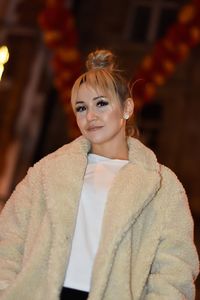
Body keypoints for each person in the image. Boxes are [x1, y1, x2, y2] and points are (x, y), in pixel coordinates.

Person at [0, 49, 199, 300]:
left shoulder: (162, 185)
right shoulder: (47, 171)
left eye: (101, 103)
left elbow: (175, 267)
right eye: (81, 108)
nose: (90, 116)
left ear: (126, 108)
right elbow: (9, 239)